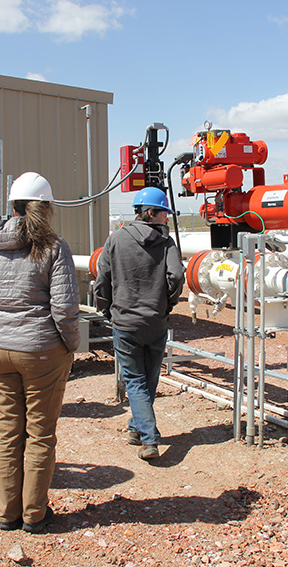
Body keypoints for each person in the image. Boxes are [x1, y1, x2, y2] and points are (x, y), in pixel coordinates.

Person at [0, 172, 80, 533]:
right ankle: (34, 514)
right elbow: (64, 308)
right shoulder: (53, 247)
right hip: (42, 351)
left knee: (8, 431)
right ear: (46, 208)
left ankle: (7, 512)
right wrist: (70, 345)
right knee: (40, 433)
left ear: (12, 206)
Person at [94, 187, 184, 461]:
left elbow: (103, 280)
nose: (167, 219)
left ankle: (148, 437)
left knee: (134, 380)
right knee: (149, 379)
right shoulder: (166, 244)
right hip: (155, 323)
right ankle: (138, 429)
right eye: (164, 213)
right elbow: (177, 277)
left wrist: (106, 311)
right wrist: (165, 304)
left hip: (125, 322)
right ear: (152, 213)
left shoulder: (116, 239)